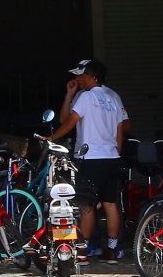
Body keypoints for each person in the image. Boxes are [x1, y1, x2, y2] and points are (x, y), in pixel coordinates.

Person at [55, 58, 131, 263]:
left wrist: (52, 138)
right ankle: (112, 251)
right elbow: (120, 130)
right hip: (111, 157)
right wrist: (117, 154)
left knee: (85, 205)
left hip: (91, 158)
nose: (77, 78)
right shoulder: (113, 97)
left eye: (80, 75)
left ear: (91, 76)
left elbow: (69, 123)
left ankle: (82, 251)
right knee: (110, 204)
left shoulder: (87, 97)